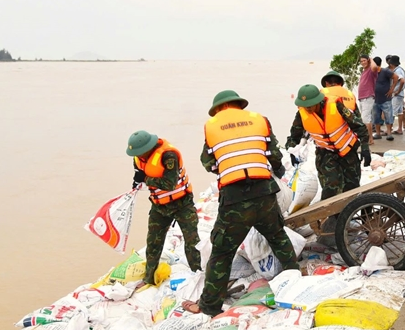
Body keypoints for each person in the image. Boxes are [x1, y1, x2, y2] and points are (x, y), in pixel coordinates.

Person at [183, 90, 300, 316]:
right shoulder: (259, 120)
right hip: (265, 192)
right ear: (240, 106)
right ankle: (296, 283)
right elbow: (274, 155)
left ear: (218, 109)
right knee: (277, 237)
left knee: (222, 252)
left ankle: (209, 306)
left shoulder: (212, 126)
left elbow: (208, 162)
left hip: (235, 199)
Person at [287, 84, 370, 245]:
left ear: (319, 101)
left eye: (311, 106)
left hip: (348, 151)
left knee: (352, 187)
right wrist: (292, 149)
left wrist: (365, 148)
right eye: (305, 107)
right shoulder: (302, 113)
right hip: (326, 154)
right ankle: (330, 226)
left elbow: (359, 126)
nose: (309, 109)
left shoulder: (336, 105)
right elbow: (294, 135)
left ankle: (349, 220)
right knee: (331, 187)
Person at [126, 131, 202, 288]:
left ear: (148, 148)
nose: (139, 156)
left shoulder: (168, 156)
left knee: (191, 241)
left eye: (141, 153)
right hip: (159, 206)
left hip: (183, 204)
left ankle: (198, 274)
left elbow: (169, 183)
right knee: (153, 241)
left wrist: (146, 179)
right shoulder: (138, 159)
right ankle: (148, 277)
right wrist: (137, 182)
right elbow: (140, 174)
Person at [372, 56, 399, 141]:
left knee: (388, 116)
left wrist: (392, 89)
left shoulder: (385, 71)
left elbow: (396, 77)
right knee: (376, 117)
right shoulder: (372, 73)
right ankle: (378, 133)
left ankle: (389, 133)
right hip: (375, 99)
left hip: (385, 98)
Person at [357, 55, 380, 145]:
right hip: (362, 98)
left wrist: (371, 59)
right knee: (364, 119)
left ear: (368, 61)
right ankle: (368, 138)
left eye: (364, 60)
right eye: (361, 61)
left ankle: (370, 139)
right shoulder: (364, 71)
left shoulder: (371, 70)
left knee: (365, 119)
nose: (363, 62)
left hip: (368, 97)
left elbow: (375, 67)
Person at [389, 55, 405, 135]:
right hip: (401, 94)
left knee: (392, 112)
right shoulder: (401, 69)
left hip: (397, 94)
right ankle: (400, 128)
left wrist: (397, 91)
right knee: (400, 112)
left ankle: (389, 128)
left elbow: (402, 80)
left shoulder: (397, 71)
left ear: (391, 64)